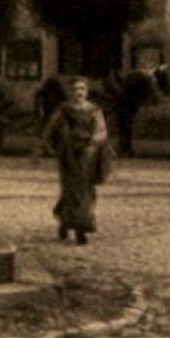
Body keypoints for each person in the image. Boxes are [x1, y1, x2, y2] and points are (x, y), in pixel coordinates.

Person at [42, 76, 108, 244]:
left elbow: (101, 130)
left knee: (86, 189)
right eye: (75, 89)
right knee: (71, 188)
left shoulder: (94, 110)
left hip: (89, 154)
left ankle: (80, 227)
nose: (78, 92)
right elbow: (50, 127)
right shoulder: (64, 109)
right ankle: (68, 223)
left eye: (82, 89)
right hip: (68, 154)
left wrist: (93, 141)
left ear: (87, 91)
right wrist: (42, 146)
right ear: (69, 92)